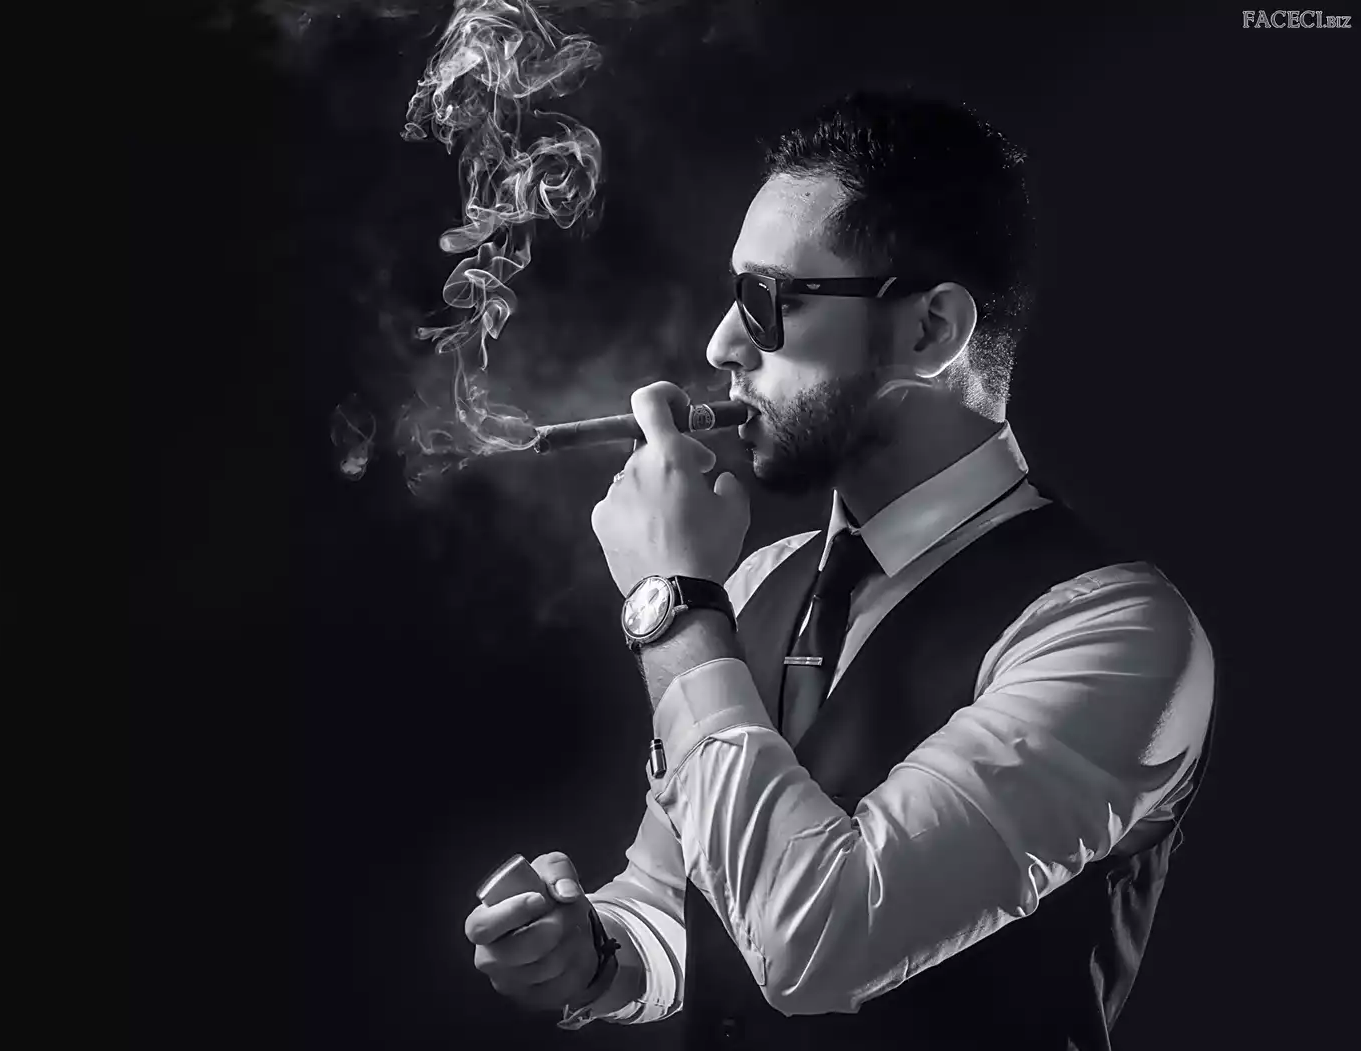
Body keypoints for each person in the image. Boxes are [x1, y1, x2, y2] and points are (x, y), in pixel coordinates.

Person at [461, 90, 1215, 1050]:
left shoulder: (1113, 631)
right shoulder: (750, 587)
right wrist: (604, 952)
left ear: (931, 331)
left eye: (768, 302)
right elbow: (685, 902)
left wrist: (669, 603)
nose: (721, 347)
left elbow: (818, 944)